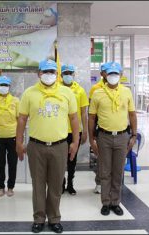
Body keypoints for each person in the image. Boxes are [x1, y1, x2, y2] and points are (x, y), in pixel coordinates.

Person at [16, 59, 79, 233]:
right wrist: (19, 142)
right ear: (39, 74)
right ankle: (38, 218)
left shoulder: (67, 93)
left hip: (60, 146)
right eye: (46, 72)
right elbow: (22, 119)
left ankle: (54, 218)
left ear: (57, 74)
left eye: (52, 71)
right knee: (38, 185)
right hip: (36, 146)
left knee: (56, 184)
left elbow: (74, 118)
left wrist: (75, 141)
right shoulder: (29, 93)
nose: (49, 75)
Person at [88, 62, 137, 216]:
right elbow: (91, 118)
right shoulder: (97, 93)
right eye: (110, 74)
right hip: (104, 137)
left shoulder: (127, 92)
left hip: (123, 136)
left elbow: (132, 114)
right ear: (105, 75)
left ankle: (115, 202)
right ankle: (105, 202)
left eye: (116, 74)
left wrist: (134, 135)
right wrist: (91, 139)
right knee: (104, 171)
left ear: (120, 75)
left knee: (118, 171)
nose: (113, 77)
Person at [61, 64, 89, 195]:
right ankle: (61, 183)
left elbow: (84, 113)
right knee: (60, 159)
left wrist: (85, 131)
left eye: (70, 73)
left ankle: (70, 183)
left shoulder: (80, 90)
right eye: (65, 73)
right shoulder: (57, 89)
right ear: (61, 75)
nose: (68, 75)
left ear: (73, 75)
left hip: (75, 131)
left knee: (72, 159)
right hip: (59, 130)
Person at [0, 75, 19, 197]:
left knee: (13, 163)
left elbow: (20, 119)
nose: (3, 87)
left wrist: (20, 138)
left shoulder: (15, 101)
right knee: (0, 163)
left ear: (9, 87)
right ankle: (1, 187)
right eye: (1, 85)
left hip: (13, 137)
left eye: (5, 85)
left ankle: (11, 187)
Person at [89, 62, 110, 194]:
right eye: (107, 71)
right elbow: (92, 113)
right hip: (100, 128)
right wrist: (93, 134)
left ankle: (111, 185)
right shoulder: (95, 89)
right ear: (102, 73)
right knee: (102, 159)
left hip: (115, 128)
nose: (109, 74)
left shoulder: (120, 89)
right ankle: (99, 182)